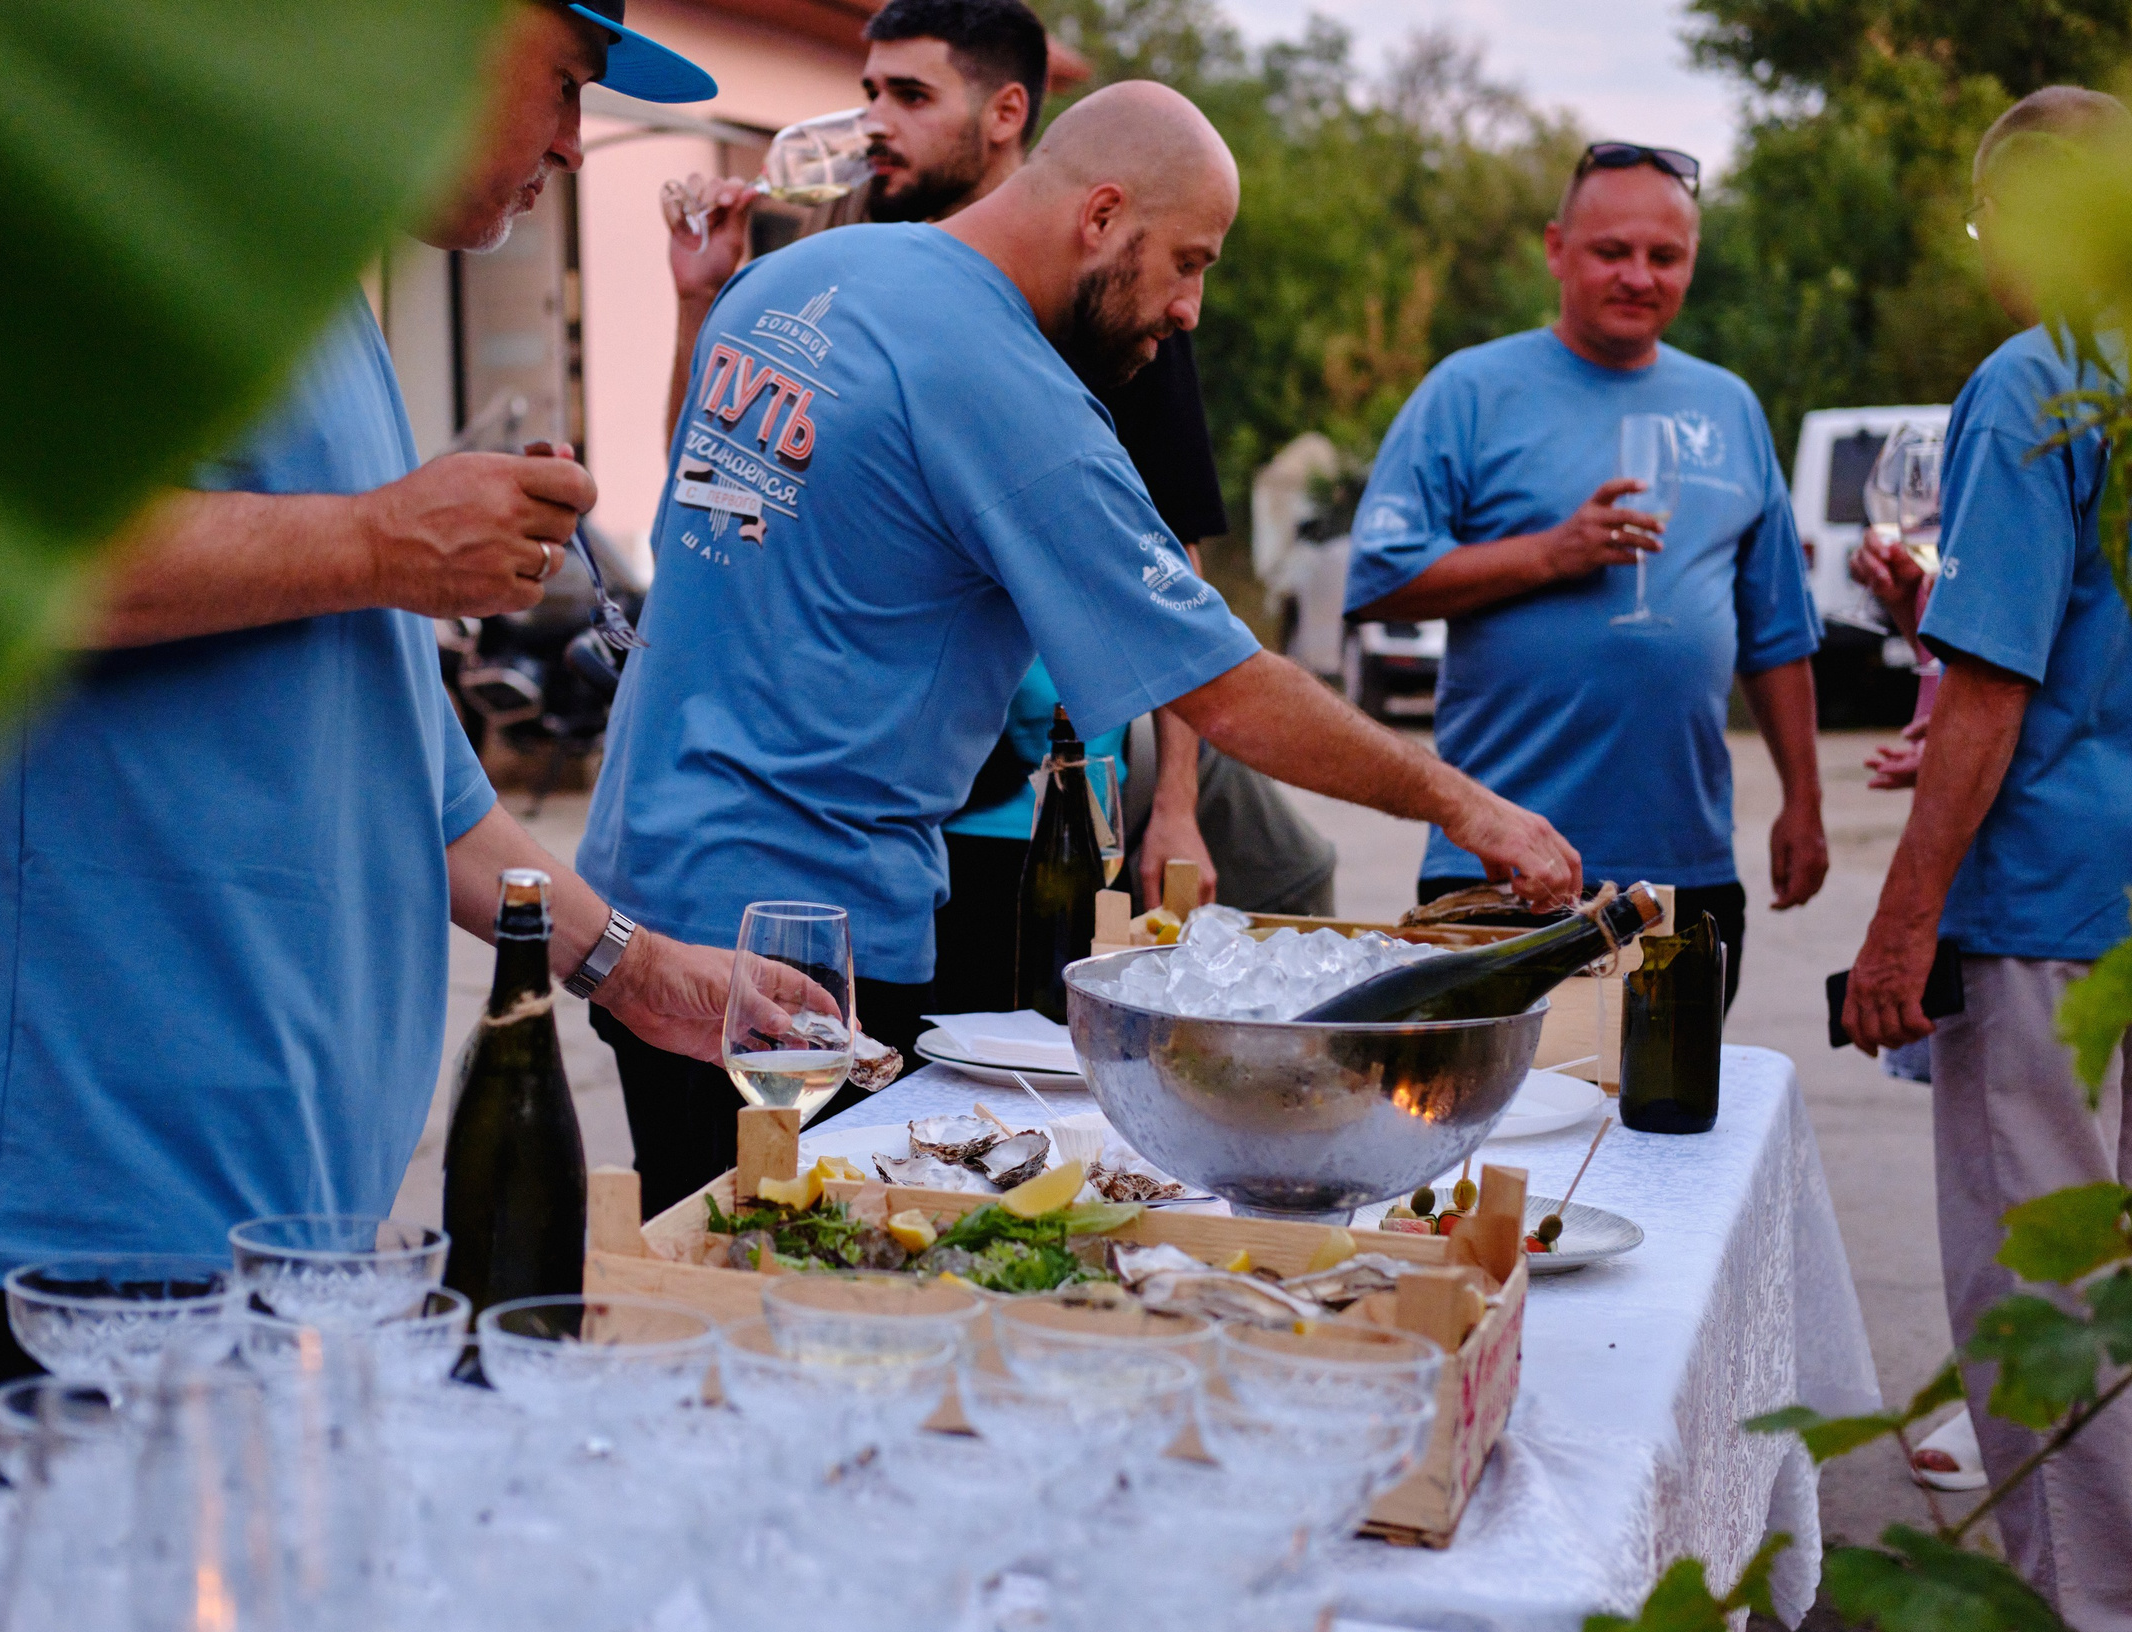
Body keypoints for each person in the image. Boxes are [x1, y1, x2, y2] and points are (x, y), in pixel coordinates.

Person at [0, 1, 762, 1423]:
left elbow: (419, 783)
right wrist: (379, 540)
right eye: (566, 83)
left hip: (268, 1204)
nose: (575, 145)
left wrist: (635, 968)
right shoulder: (107, 187)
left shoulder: (312, 292)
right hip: (83, 1210)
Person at [576, 81, 1582, 1213]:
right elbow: (1225, 688)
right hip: (800, 943)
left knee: (685, 1240)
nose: (1190, 308)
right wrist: (1463, 806)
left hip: (637, 894)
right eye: (1188, 263)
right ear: (1101, 216)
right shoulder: (1007, 388)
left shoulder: (788, 279)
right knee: (784, 1281)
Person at [1844, 86, 2132, 1632]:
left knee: (2040, 1263)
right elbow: (2119, 649)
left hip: (2053, 897)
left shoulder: (2031, 379)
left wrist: (1902, 924)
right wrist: (1944, 638)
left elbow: (2002, 693)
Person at [659, 0, 1230, 1011]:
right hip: (860, 833)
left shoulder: (1117, 303)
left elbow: (1177, 578)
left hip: (1029, 805)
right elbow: (708, 487)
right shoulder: (832, 260)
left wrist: (1175, 801)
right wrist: (700, 301)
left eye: (911, 96)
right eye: (869, 92)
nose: (876, 122)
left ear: (1006, 114)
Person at [1342, 141, 1829, 1007]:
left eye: (1664, 255)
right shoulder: (1469, 391)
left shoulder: (1730, 407)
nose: (1639, 276)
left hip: (1686, 871)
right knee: (1507, 1095)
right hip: (1500, 866)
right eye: (1612, 251)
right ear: (1556, 249)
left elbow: (1776, 633)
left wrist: (1805, 801)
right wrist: (1550, 553)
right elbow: (1378, 580)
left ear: (1691, 262)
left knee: (1675, 1095)